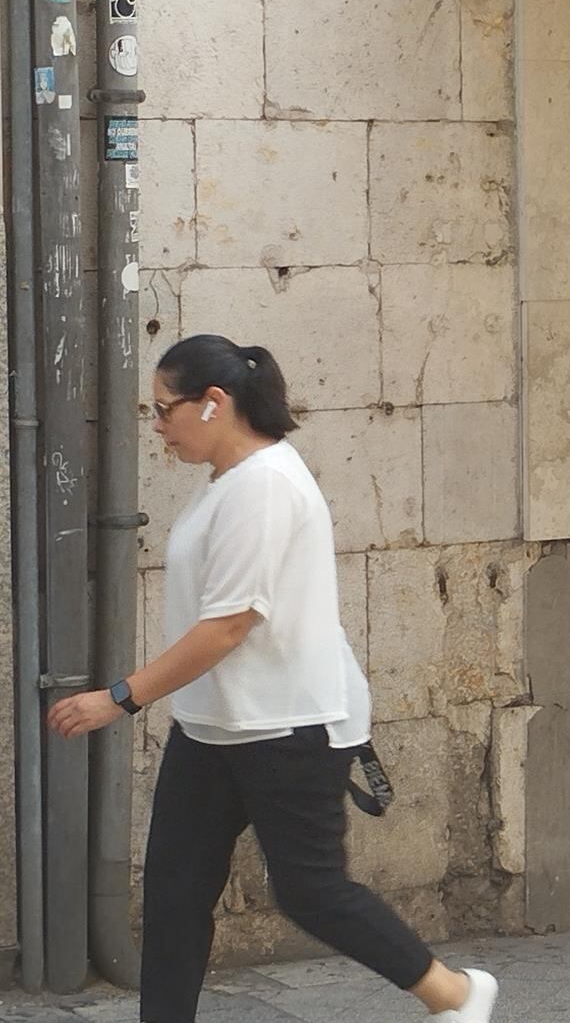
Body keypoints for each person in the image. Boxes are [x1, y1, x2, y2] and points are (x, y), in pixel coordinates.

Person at [46, 335, 496, 1023]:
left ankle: (455, 995)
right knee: (174, 895)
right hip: (216, 725)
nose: (158, 426)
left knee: (311, 890)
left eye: (165, 410)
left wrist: (119, 698)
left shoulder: (265, 487)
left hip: (289, 727)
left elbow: (227, 627)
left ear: (214, 404)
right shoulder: (231, 482)